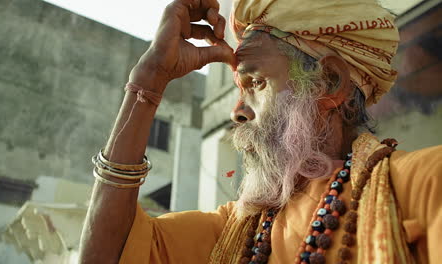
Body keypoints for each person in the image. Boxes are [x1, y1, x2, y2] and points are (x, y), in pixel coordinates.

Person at [78, 0, 442, 263]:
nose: (237, 112)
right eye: (238, 88)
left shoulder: (423, 185)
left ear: (329, 82)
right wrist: (149, 82)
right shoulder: (237, 231)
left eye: (255, 82)